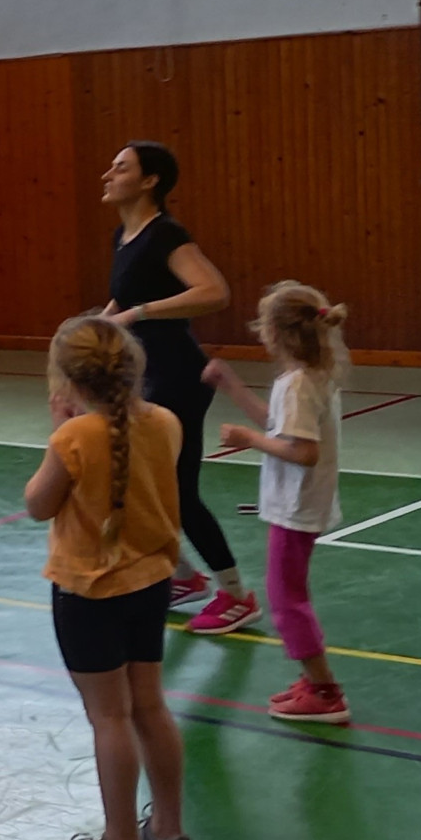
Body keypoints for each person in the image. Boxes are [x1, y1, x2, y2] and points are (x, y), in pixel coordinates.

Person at [24, 314, 194, 840]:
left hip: (89, 590)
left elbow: (38, 504)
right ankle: (169, 833)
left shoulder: (73, 437)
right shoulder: (165, 422)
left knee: (110, 716)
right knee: (150, 706)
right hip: (151, 582)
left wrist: (60, 429)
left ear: (70, 380)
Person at [100, 141, 257, 633]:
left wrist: (139, 314)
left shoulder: (166, 234)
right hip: (146, 376)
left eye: (121, 168)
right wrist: (95, 328)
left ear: (150, 181)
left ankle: (237, 596)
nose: (108, 175)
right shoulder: (123, 236)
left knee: (179, 492)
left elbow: (213, 291)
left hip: (178, 376)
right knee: (134, 483)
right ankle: (183, 577)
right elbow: (124, 297)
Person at [215, 282, 352, 724]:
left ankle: (325, 691)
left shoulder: (297, 384)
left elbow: (303, 452)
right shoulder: (311, 377)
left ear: (276, 333)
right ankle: (314, 681)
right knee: (289, 594)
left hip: (296, 506)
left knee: (286, 600)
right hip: (301, 503)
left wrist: (248, 439)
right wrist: (232, 386)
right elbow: (281, 428)